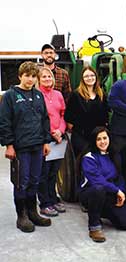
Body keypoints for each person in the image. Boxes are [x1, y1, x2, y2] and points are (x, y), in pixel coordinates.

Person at [0, 61, 52, 233]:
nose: (30, 80)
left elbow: (45, 119)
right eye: (27, 76)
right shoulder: (10, 95)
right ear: (20, 76)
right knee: (21, 182)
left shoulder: (38, 95)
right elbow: (5, 122)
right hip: (20, 147)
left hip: (37, 146)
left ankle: (32, 212)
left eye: (33, 76)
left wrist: (46, 141)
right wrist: (9, 145)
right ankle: (21, 215)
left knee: (34, 180)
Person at [79, 127, 126, 242]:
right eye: (99, 139)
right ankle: (94, 226)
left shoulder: (113, 154)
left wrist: (121, 191)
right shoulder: (89, 158)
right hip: (91, 193)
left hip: (110, 192)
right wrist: (117, 191)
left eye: (105, 138)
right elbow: (97, 180)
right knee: (99, 189)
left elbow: (119, 176)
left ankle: (103, 211)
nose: (103, 141)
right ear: (94, 141)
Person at [37, 67, 67, 216]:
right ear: (39, 80)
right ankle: (45, 202)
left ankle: (53, 198)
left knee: (54, 172)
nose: (47, 79)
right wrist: (50, 134)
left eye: (49, 76)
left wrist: (60, 131)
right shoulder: (37, 95)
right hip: (45, 138)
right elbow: (39, 119)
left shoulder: (58, 94)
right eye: (44, 77)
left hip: (58, 137)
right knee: (44, 172)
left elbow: (62, 115)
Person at [64, 66, 108, 157]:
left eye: (92, 75)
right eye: (86, 76)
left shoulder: (101, 94)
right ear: (82, 79)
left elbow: (105, 114)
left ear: (96, 77)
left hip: (98, 137)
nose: (90, 78)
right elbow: (69, 117)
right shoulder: (76, 95)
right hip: (81, 137)